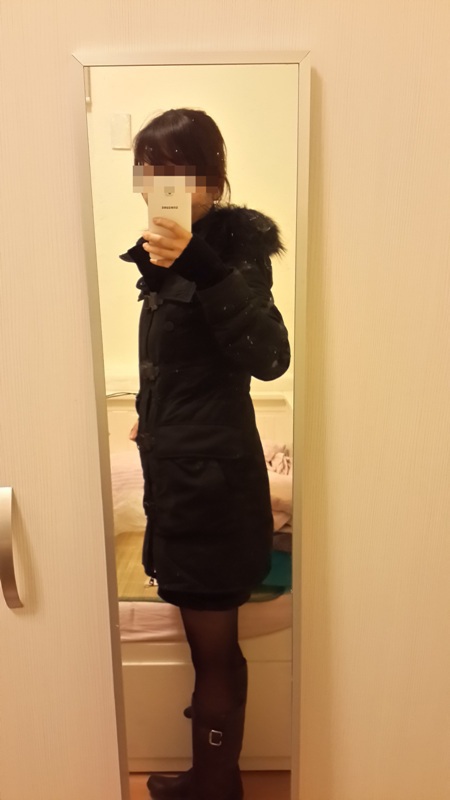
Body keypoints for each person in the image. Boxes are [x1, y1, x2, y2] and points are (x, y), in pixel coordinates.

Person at [120, 109, 290, 800]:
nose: (156, 181)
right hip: (185, 478)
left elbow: (269, 357)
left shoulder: (233, 254)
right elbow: (181, 366)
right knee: (208, 648)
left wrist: (202, 263)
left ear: (211, 181)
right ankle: (214, 779)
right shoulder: (161, 255)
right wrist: (150, 413)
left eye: (174, 168)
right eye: (147, 168)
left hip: (212, 491)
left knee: (214, 649)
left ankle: (216, 786)